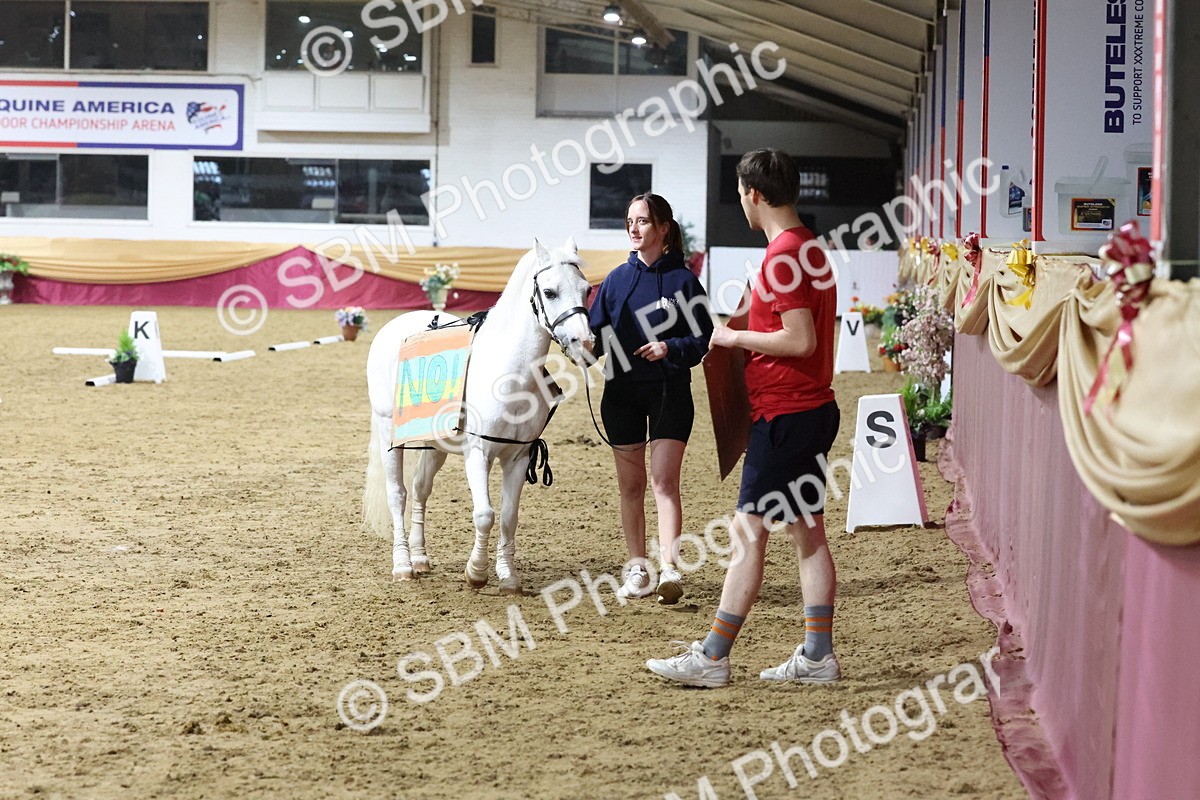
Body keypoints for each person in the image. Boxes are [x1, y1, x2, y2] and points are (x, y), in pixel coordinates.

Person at [646, 149, 841, 686]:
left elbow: (799, 340)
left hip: (785, 413)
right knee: (808, 534)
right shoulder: (811, 250)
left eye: (740, 193)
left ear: (754, 194)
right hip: (809, 411)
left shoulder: (782, 256)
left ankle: (712, 656)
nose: (740, 201)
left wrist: (733, 336)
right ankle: (817, 655)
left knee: (747, 532)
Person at [588, 193, 713, 605]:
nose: (634, 227)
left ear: (663, 228)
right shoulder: (614, 281)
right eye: (630, 220)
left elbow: (703, 339)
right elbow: (595, 339)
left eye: (643, 221)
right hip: (620, 393)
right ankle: (638, 569)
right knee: (630, 485)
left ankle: (670, 568)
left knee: (662, 481)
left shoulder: (684, 282)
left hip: (669, 391)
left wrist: (670, 348)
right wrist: (582, 346)